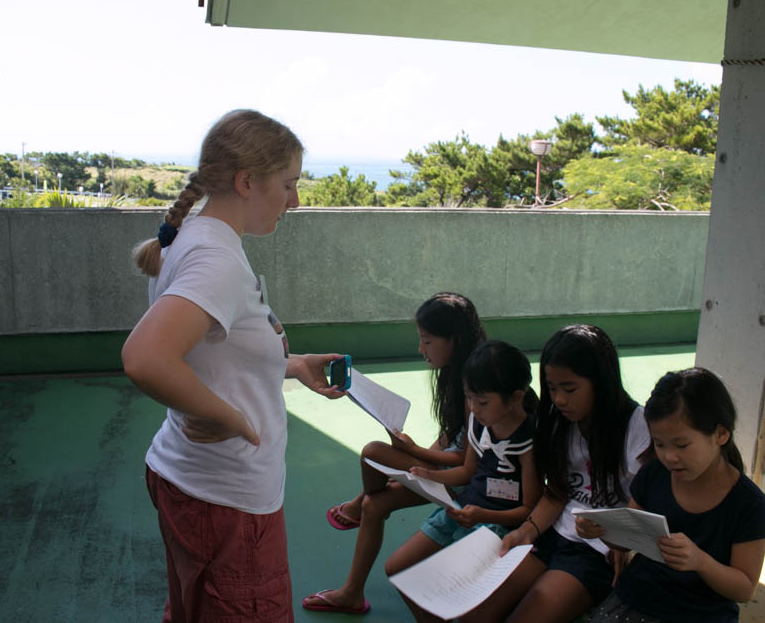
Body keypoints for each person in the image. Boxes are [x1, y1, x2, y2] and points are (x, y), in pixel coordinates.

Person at [121, 109, 346, 623]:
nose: (295, 200)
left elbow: (212, 352)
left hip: (189, 482)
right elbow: (145, 358)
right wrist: (231, 419)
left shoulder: (196, 237)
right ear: (247, 181)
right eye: (288, 184)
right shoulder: (217, 260)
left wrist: (291, 365)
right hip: (225, 499)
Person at [302, 292, 485, 614]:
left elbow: (467, 461)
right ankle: (351, 594)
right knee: (377, 503)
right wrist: (416, 457)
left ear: (453, 340)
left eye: (427, 342)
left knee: (373, 451)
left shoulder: (477, 383)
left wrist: (412, 452)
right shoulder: (453, 375)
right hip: (443, 471)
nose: (420, 349)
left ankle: (357, 504)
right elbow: (448, 439)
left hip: (466, 481)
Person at [461, 324, 650, 623]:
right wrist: (526, 530)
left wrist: (620, 538)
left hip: (595, 552)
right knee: (474, 613)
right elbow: (559, 491)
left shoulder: (636, 426)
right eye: (552, 388)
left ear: (600, 381)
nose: (559, 399)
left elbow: (647, 500)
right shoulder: (559, 421)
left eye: (569, 388)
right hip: (552, 535)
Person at [576, 367, 765, 622]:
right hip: (638, 598)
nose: (669, 456)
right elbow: (630, 539)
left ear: (721, 434)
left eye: (682, 445)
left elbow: (744, 588)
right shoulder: (654, 474)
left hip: (700, 614)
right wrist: (603, 531)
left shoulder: (748, 504)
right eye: (659, 444)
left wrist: (700, 561)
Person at [383, 340, 540, 623]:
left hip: (498, 528)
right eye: (468, 398)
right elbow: (468, 472)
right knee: (396, 568)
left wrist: (483, 515)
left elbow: (528, 510)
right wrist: (431, 476)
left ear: (515, 397)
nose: (473, 408)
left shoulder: (528, 441)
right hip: (462, 509)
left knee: (459, 600)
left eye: (481, 402)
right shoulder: (478, 422)